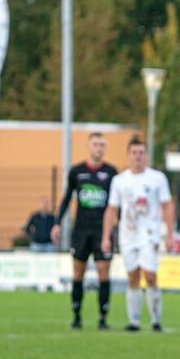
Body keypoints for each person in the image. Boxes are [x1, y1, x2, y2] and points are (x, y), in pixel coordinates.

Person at [102, 136, 174, 333]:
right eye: (134, 153)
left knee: (150, 275)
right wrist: (106, 236)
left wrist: (170, 235)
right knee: (132, 276)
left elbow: (167, 206)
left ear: (146, 155)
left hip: (150, 234)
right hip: (128, 235)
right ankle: (134, 322)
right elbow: (111, 210)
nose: (138, 157)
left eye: (141, 153)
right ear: (128, 155)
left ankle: (155, 320)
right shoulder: (119, 181)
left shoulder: (157, 178)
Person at [53, 132, 119, 329]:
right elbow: (66, 199)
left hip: (102, 230)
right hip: (81, 230)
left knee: (103, 272)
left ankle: (102, 318)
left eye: (102, 145)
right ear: (88, 146)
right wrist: (57, 222)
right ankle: (77, 316)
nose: (99, 148)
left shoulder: (111, 172)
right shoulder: (76, 171)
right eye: (95, 144)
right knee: (78, 273)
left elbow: (116, 204)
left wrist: (120, 226)